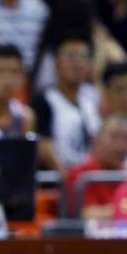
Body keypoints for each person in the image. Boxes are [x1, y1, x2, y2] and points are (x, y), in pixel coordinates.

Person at [31, 35, 100, 171]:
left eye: (83, 57)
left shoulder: (94, 96)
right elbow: (44, 146)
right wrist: (67, 177)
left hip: (90, 175)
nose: (76, 64)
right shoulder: (45, 99)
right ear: (56, 64)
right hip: (59, 176)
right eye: (70, 56)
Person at [64, 114, 127, 219]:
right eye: (114, 137)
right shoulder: (79, 176)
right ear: (97, 138)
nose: (121, 146)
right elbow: (87, 215)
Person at [0, 44, 35, 136]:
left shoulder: (25, 117)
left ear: (23, 77)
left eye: (14, 72)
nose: (8, 80)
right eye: (0, 71)